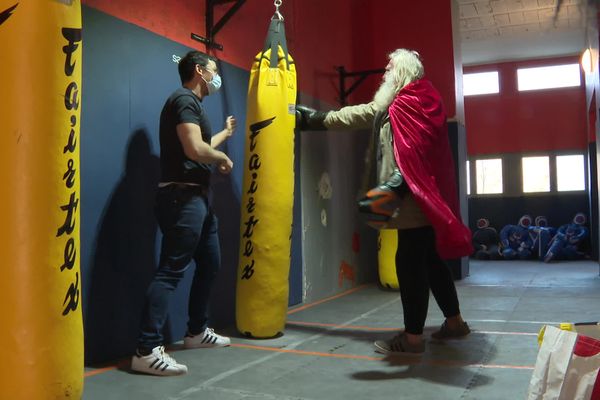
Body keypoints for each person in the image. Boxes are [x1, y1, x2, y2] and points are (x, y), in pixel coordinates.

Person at [297, 49, 473, 355]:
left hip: (413, 199)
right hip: (426, 198)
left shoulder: (406, 104)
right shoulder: (422, 101)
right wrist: (316, 119)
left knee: (408, 264)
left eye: (389, 68)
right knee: (431, 262)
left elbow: (407, 149)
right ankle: (454, 322)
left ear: (402, 72)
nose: (384, 73)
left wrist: (315, 119)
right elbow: (366, 114)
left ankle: (413, 338)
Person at [131, 51, 235, 376]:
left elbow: (199, 145)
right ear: (199, 71)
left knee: (210, 263)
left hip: (198, 199)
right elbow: (195, 149)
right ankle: (146, 350)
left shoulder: (193, 106)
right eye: (214, 70)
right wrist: (221, 157)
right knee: (171, 270)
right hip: (182, 198)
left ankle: (195, 332)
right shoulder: (183, 99)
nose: (216, 77)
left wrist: (223, 135)